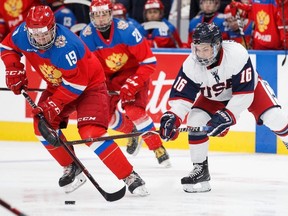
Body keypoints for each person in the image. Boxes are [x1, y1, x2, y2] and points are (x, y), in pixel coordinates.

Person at [0, 5, 149, 196]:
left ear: (53, 28)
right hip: (59, 85)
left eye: (45, 34)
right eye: (35, 34)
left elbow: (76, 85)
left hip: (89, 87)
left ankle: (130, 176)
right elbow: (6, 46)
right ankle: (72, 167)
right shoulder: (22, 32)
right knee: (41, 126)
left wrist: (53, 105)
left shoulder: (66, 45)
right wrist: (13, 67)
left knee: (91, 132)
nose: (40, 39)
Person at [159, 22, 288, 193]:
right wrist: (172, 117)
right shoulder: (190, 65)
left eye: (206, 49)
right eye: (197, 49)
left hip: (249, 91)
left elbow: (244, 96)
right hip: (213, 97)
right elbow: (182, 99)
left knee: (275, 118)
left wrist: (227, 115)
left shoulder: (236, 54)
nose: (200, 54)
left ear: (217, 45)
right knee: (195, 119)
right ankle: (201, 170)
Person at [80, 0, 171, 168]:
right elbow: (88, 68)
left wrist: (133, 83)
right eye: (97, 15)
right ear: (92, 16)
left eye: (104, 14)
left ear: (111, 14)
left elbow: (149, 61)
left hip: (132, 72)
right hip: (106, 78)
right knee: (105, 118)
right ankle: (131, 131)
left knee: (134, 110)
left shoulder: (126, 30)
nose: (101, 19)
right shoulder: (86, 36)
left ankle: (157, 147)